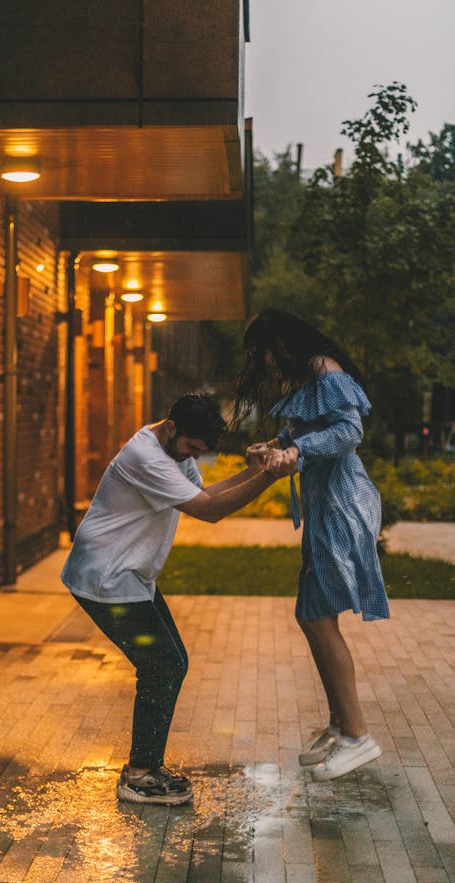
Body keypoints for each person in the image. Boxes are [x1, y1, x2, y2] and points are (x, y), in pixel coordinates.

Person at [61, 392, 296, 806]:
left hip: (129, 578)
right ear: (171, 428)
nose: (192, 457)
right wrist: (267, 477)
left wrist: (250, 471)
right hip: (104, 579)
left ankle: (145, 767)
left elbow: (203, 495)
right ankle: (139, 775)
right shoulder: (146, 457)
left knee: (170, 663)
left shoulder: (172, 451)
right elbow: (208, 511)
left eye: (199, 452)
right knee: (164, 664)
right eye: (190, 448)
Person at [233, 308, 389, 781]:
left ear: (278, 342)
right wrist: (272, 446)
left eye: (262, 352)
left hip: (342, 505)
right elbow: (304, 430)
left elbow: (347, 431)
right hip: (325, 506)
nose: (263, 363)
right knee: (312, 615)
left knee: (319, 618)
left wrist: (296, 452)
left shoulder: (324, 368)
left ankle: (359, 737)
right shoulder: (306, 378)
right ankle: (341, 727)